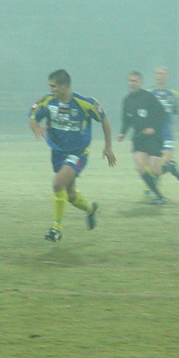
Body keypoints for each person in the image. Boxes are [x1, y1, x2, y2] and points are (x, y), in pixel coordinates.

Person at [29, 69, 116, 241]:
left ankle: (56, 229)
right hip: (57, 153)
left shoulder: (84, 103)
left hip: (78, 153)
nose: (51, 89)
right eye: (50, 86)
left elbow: (104, 120)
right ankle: (90, 209)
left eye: (54, 86)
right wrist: (36, 127)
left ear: (64, 85)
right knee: (70, 195)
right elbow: (33, 117)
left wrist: (108, 147)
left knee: (57, 184)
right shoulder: (48, 101)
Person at [117, 70, 170, 204]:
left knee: (155, 169)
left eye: (135, 81)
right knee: (140, 168)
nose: (132, 83)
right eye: (130, 81)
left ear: (140, 83)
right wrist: (122, 132)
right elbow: (126, 120)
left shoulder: (148, 97)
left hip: (154, 137)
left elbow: (162, 114)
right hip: (139, 137)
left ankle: (170, 167)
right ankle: (159, 197)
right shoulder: (127, 100)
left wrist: (153, 128)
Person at [151, 66, 179, 182]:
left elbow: (175, 111)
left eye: (162, 74)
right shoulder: (148, 93)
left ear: (167, 77)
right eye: (158, 74)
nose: (160, 76)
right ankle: (153, 184)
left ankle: (169, 167)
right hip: (152, 132)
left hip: (166, 132)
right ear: (155, 76)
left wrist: (172, 127)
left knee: (165, 159)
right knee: (152, 162)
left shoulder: (174, 94)